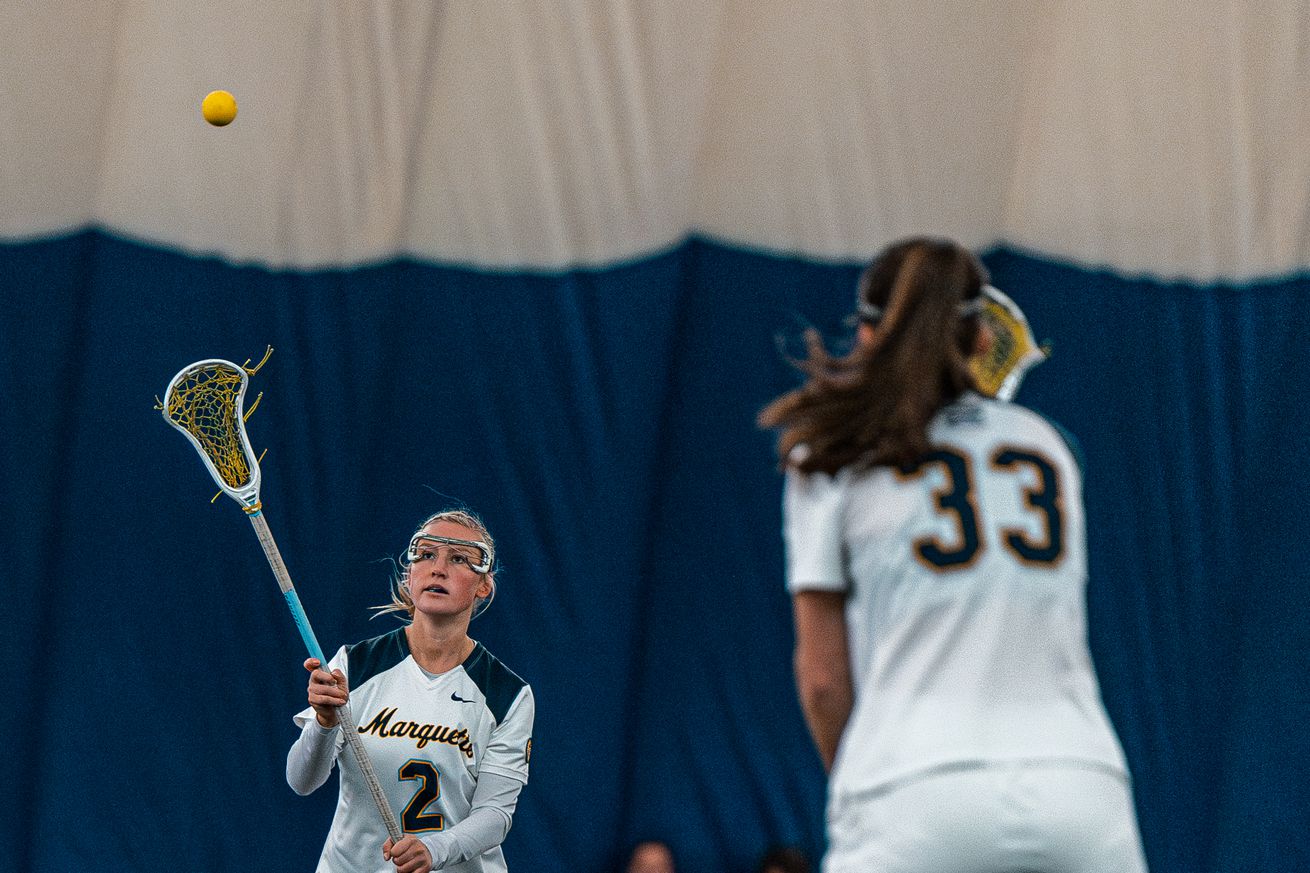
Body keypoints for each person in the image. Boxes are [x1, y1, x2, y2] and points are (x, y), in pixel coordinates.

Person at [759, 237, 1148, 872]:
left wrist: (866, 780)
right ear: (982, 340)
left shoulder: (831, 454)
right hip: (1078, 780)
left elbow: (824, 681)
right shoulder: (1046, 447)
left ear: (864, 335)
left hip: (912, 784)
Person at [287, 509, 534, 873]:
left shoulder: (507, 694)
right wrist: (324, 722)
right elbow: (302, 781)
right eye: (427, 555)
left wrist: (435, 850)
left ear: (484, 586)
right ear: (410, 574)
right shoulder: (356, 665)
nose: (438, 568)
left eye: (460, 559)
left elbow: (494, 815)